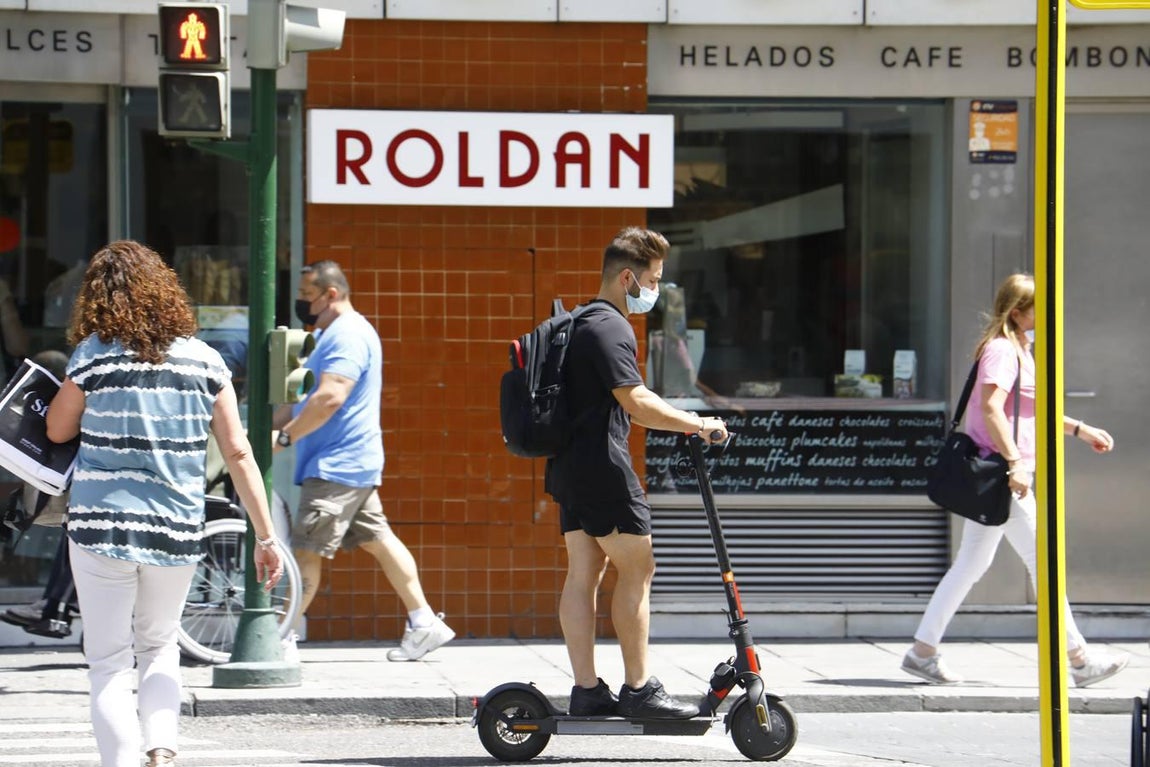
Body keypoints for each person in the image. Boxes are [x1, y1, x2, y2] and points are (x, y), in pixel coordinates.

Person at [44, 240, 285, 767]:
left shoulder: (93, 357)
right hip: (174, 527)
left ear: (98, 299)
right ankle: (161, 749)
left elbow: (57, 427)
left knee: (107, 663)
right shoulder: (205, 361)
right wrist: (265, 538)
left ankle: (122, 763)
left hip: (101, 528)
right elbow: (239, 452)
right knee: (158, 647)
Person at [901, 273, 1128, 688]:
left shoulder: (1022, 349)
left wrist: (1081, 429)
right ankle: (1079, 659)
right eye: (1040, 306)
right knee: (1044, 563)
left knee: (971, 564)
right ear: (1018, 311)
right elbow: (990, 408)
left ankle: (922, 652)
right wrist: (1015, 462)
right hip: (1003, 476)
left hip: (1004, 473)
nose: (1049, 313)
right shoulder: (1003, 351)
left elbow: (1032, 408)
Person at [547, 227, 729, 719]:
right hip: (603, 470)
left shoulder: (578, 321)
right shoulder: (610, 327)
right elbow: (636, 399)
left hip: (569, 468)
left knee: (584, 573)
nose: (654, 290)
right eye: (652, 279)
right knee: (639, 567)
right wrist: (697, 423)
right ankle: (639, 689)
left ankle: (586, 690)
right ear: (628, 277)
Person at [272, 261, 454, 662]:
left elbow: (330, 396)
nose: (302, 303)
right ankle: (424, 623)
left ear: (331, 294)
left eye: (306, 296)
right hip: (349, 462)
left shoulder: (348, 335)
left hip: (337, 463)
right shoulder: (328, 335)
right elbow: (303, 396)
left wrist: (285, 437)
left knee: (307, 552)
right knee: (379, 540)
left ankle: (278, 639)